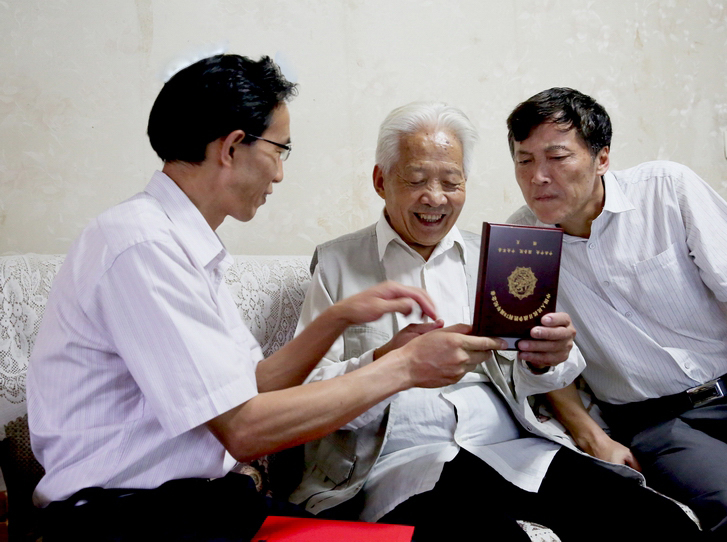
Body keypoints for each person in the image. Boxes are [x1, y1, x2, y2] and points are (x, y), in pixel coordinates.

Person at [26, 55, 504, 542]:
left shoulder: (182, 244)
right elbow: (245, 430)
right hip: (130, 518)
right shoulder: (141, 246)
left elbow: (253, 388)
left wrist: (338, 318)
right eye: (280, 150)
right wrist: (405, 368)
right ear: (233, 147)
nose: (278, 174)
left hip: (203, 505)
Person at [288, 101, 700, 542]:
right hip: (404, 464)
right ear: (380, 181)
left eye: (451, 182)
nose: (435, 198)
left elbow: (536, 379)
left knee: (659, 523)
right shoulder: (337, 263)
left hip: (512, 450)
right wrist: (389, 361)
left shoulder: (500, 255)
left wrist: (546, 359)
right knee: (487, 536)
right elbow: (307, 396)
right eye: (417, 180)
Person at [506, 86, 727, 541]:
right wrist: (593, 437)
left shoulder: (667, 189)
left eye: (557, 157)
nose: (538, 177)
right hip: (662, 423)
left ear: (602, 158)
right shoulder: (520, 245)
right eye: (524, 161)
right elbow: (541, 359)